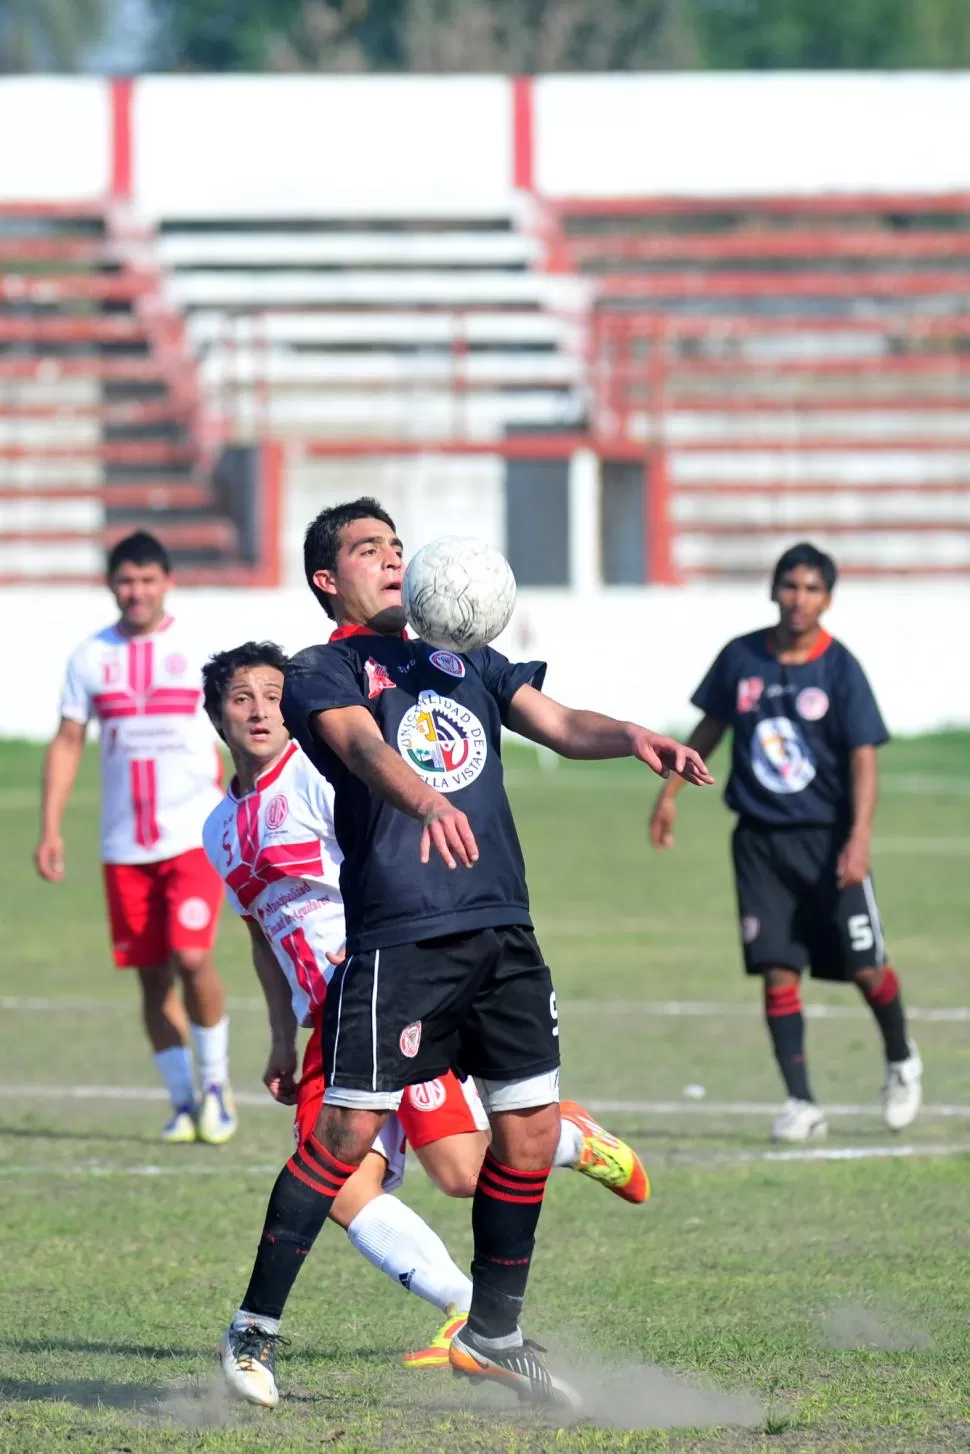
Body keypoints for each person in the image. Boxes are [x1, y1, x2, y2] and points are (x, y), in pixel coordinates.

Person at [217, 497, 711, 1411]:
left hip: (503, 930)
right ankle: (253, 1331)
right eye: (370, 550)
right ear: (329, 579)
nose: (393, 559)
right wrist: (424, 801)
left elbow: (558, 722)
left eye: (398, 545)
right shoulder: (325, 668)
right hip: (401, 939)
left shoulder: (466, 659)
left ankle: (492, 1334)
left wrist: (634, 736)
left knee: (525, 1134)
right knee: (343, 1140)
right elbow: (362, 748)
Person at [649, 541, 922, 1144]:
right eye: (790, 586)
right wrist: (669, 794)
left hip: (829, 842)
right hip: (759, 843)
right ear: (774, 590)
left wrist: (859, 839)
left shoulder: (840, 668)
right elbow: (709, 727)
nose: (799, 598)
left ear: (828, 598)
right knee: (776, 970)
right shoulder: (741, 658)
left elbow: (863, 760)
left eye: (812, 588)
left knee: (867, 968)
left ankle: (902, 1060)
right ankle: (802, 1102)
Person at [34, 531, 236, 1145]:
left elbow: (241, 724)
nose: (137, 592)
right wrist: (50, 827)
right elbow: (68, 741)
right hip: (124, 844)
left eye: (148, 580)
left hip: (192, 835)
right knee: (150, 976)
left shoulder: (198, 649)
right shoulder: (89, 658)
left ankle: (217, 1087)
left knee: (193, 957)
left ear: (167, 582)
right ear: (111, 585)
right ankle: (182, 1103)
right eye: (126, 581)